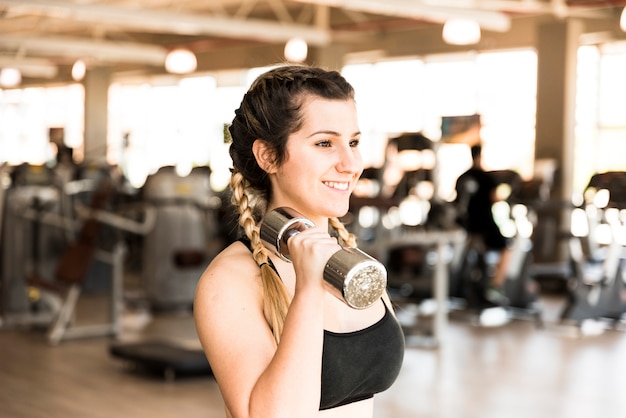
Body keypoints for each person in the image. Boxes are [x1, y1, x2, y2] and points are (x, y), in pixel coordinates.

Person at [194, 65, 405, 418]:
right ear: (268, 156)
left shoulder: (351, 259)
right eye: (325, 143)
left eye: (353, 142)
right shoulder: (230, 281)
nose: (351, 163)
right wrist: (308, 290)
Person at [454, 144, 511, 306]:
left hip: (467, 225)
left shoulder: (462, 177)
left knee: (474, 251)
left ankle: (474, 283)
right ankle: (495, 286)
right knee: (507, 248)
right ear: (481, 156)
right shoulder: (487, 178)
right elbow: (494, 198)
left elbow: (458, 201)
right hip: (484, 223)